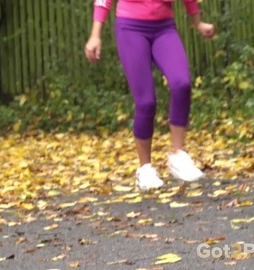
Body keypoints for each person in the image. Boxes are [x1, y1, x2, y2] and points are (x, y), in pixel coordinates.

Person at [85, 0, 215, 190]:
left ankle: (178, 155)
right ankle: (145, 169)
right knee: (146, 102)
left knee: (182, 84)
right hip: (130, 29)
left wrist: (198, 22)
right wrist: (95, 34)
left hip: (164, 28)